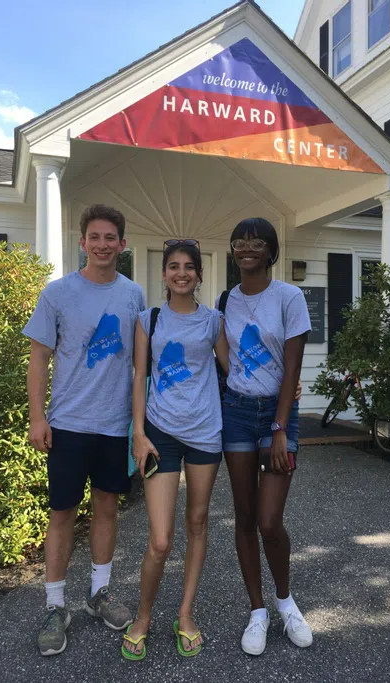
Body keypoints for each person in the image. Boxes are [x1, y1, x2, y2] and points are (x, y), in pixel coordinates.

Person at [23, 204, 145, 656]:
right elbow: (39, 359)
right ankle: (56, 607)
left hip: (113, 426)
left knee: (107, 509)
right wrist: (38, 418)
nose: (102, 244)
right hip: (69, 424)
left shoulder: (133, 294)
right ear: (82, 242)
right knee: (62, 514)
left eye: (110, 237)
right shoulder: (57, 294)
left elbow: (139, 366)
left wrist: (138, 424)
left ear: (122, 244)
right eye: (94, 236)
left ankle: (99, 594)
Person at [121, 239, 228, 661]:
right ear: (163, 274)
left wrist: (282, 391)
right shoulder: (148, 318)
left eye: (189, 267)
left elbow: (233, 370)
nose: (181, 273)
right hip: (160, 433)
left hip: (205, 434)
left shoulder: (213, 322)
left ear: (199, 274)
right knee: (161, 540)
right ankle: (143, 617)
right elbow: (139, 376)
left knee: (197, 523)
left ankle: (185, 613)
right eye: (173, 266)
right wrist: (139, 433)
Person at [219, 217, 313, 656]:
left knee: (269, 521)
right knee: (243, 515)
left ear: (271, 250)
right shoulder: (226, 301)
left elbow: (292, 366)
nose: (247, 248)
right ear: (233, 250)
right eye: (240, 242)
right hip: (237, 413)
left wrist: (280, 426)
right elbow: (220, 358)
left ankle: (285, 600)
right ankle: (257, 610)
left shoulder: (289, 297)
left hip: (278, 416)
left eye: (257, 242)